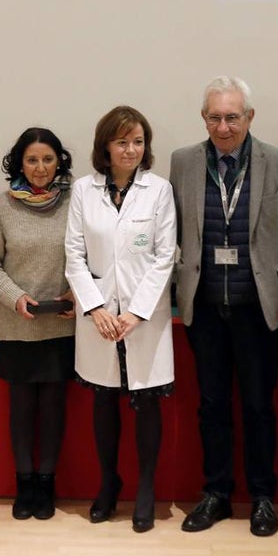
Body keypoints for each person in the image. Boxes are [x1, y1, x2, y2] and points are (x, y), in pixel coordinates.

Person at [170, 76, 278, 537]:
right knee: (211, 405)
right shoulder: (183, 163)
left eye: (232, 116)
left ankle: (263, 497)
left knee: (258, 405)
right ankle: (217, 494)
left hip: (255, 305)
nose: (223, 126)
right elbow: (180, 230)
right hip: (205, 306)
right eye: (214, 117)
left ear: (249, 116)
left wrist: (269, 275)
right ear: (203, 118)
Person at [65, 107, 176, 532]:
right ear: (105, 147)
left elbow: (165, 255)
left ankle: (145, 487)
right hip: (97, 318)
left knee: (147, 401)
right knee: (104, 399)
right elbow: (74, 254)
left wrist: (134, 312)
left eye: (138, 142)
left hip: (143, 317)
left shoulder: (159, 190)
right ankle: (108, 484)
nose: (131, 150)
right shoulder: (83, 190)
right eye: (122, 142)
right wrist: (94, 308)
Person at [0, 127, 75, 520]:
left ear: (59, 162)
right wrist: (15, 298)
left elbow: (90, 255)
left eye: (47, 159)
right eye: (32, 160)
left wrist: (77, 296)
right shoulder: (2, 207)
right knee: (21, 406)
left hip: (62, 322)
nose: (40, 168)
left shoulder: (76, 203)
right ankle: (25, 483)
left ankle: (47, 483)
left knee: (53, 406)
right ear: (19, 162)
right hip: (16, 324)